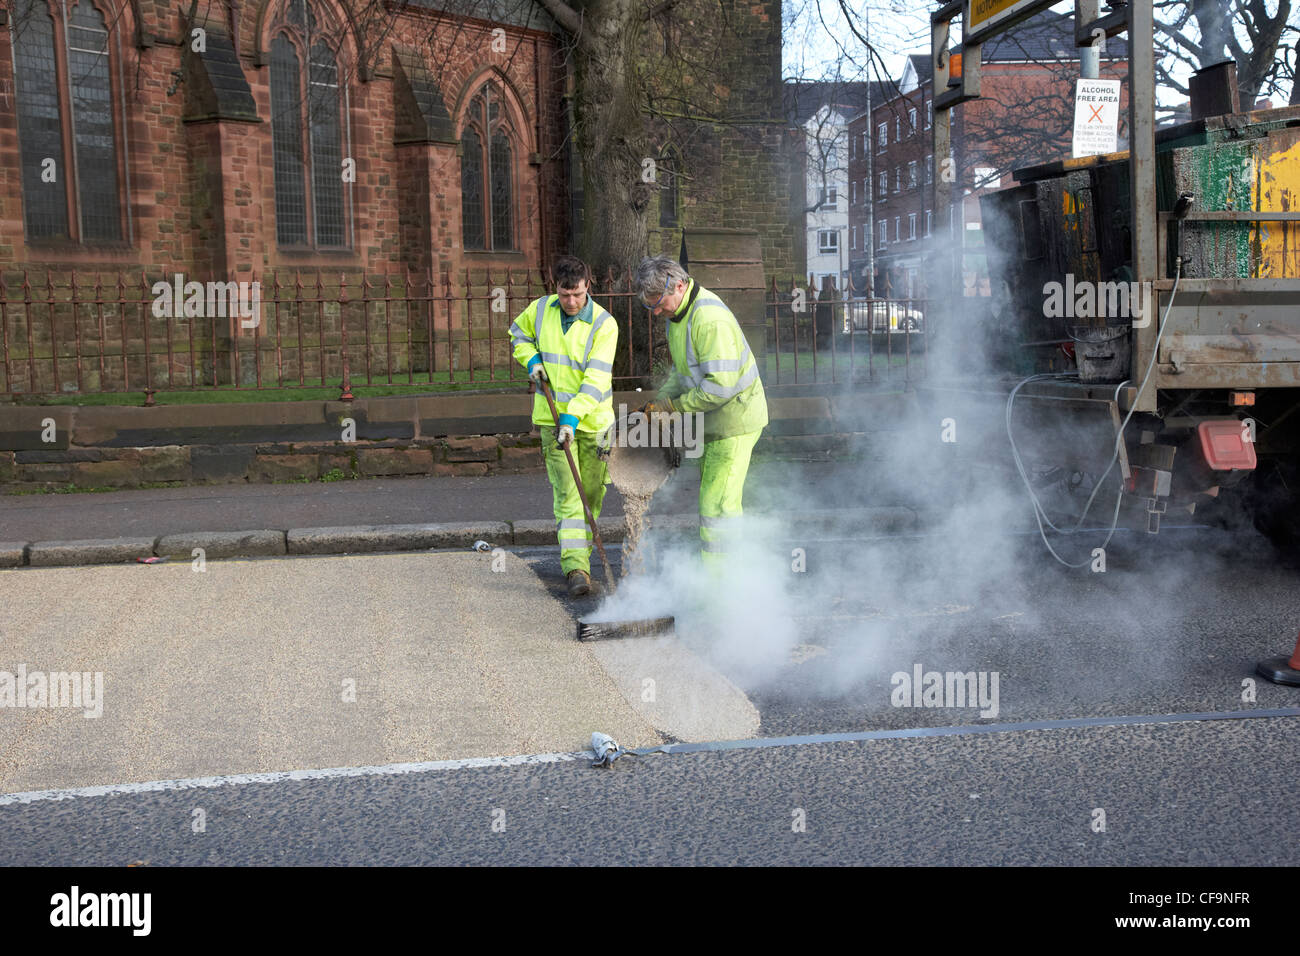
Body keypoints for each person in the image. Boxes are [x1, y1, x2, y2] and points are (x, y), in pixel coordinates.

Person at [634, 255, 768, 565]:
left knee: (718, 505)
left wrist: (672, 409)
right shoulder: (678, 318)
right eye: (649, 305)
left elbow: (720, 387)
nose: (655, 311)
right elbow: (683, 374)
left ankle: (723, 585)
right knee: (713, 500)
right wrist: (658, 404)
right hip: (715, 423)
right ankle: (718, 578)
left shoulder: (709, 319)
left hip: (735, 421)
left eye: (658, 302)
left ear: (678, 285)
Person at [509, 256, 617, 597]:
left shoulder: (604, 325)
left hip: (594, 423)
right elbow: (517, 334)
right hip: (551, 420)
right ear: (554, 286)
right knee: (570, 496)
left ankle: (581, 555)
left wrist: (573, 417)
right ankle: (576, 569)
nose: (571, 302)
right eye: (565, 294)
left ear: (588, 287)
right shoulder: (540, 310)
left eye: (578, 295)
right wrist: (531, 360)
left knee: (593, 496)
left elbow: (596, 379)